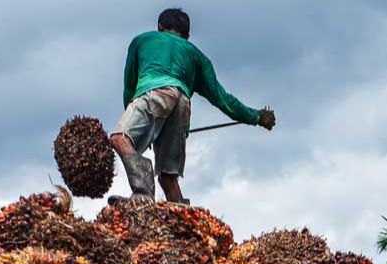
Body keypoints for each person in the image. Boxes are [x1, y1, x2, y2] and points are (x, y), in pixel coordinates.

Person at [110, 8, 275, 204]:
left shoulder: (142, 40)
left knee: (119, 138)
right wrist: (256, 116)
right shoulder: (197, 56)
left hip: (154, 94)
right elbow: (223, 100)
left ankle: (143, 194)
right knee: (168, 176)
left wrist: (139, 133)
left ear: (159, 27)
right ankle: (181, 218)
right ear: (187, 35)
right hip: (182, 104)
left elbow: (130, 88)